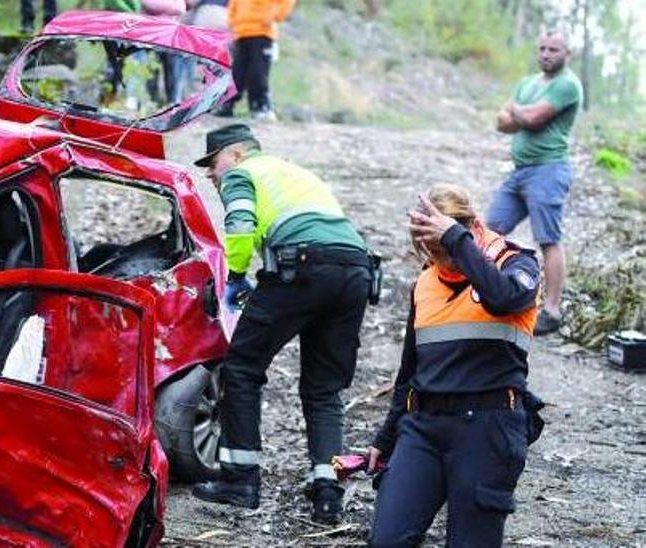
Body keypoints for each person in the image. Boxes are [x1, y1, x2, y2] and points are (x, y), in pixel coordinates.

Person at [190, 124, 372, 525]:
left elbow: (239, 224)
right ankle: (328, 491)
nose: (210, 174)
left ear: (236, 154)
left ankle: (241, 478)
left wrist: (235, 276)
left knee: (241, 366)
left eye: (213, 163)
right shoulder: (295, 173)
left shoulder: (243, 173)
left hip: (304, 265)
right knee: (324, 387)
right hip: (356, 269)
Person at [368, 184, 541, 547]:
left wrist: (457, 242)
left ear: (472, 228)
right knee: (387, 539)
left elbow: (505, 299)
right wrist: (386, 439)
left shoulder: (518, 264)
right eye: (429, 248)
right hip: (424, 426)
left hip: (487, 425)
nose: (439, 258)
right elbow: (410, 370)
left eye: (442, 246)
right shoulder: (425, 283)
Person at [489, 31, 582, 336]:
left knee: (548, 239)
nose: (545, 53)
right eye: (541, 48)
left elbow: (531, 118)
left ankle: (552, 311)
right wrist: (520, 113)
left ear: (567, 53)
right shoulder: (528, 83)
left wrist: (517, 110)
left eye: (553, 49)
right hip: (519, 171)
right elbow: (500, 122)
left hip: (548, 170)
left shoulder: (567, 84)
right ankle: (490, 291)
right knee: (490, 230)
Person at [219, 0, 295, 120]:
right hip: (241, 33)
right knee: (237, 72)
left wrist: (274, 15)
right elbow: (233, 4)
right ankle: (227, 105)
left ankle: (261, 106)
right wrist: (232, 21)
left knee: (258, 72)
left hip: (263, 32)